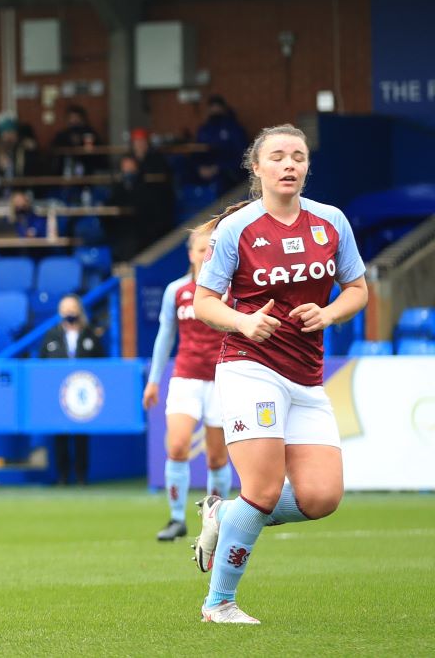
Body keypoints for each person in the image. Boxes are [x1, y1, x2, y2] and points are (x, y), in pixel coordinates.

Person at [189, 124, 366, 624]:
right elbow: (205, 302)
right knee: (263, 491)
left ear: (308, 166)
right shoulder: (236, 228)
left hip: (307, 376)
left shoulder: (331, 222)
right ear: (257, 168)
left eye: (299, 156)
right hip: (250, 366)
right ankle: (219, 603)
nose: (290, 165)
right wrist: (245, 321)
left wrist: (329, 314)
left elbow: (357, 288)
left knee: (321, 497)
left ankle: (223, 515)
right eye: (279, 157)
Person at [142, 227, 230, 542]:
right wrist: (154, 380)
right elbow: (165, 336)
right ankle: (177, 519)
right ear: (190, 254)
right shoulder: (176, 291)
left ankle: (215, 520)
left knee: (217, 457)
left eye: (211, 249)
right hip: (186, 376)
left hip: (222, 378)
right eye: (199, 249)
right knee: (177, 445)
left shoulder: (228, 290)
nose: (205, 255)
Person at [39, 294, 105, 485]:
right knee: (60, 434)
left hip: (84, 392)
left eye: (72, 308)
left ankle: (82, 476)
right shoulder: (51, 335)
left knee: (81, 435)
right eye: (65, 309)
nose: (69, 312)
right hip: (58, 393)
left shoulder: (89, 334)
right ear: (60, 312)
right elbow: (42, 363)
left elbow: (102, 363)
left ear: (79, 310)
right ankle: (62, 476)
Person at [194, 95, 248, 190]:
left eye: (217, 106)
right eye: (212, 107)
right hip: (207, 168)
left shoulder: (233, 128)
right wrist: (200, 167)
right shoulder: (204, 129)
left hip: (227, 170)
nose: (215, 109)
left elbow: (242, 156)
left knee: (222, 181)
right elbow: (198, 151)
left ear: (223, 108)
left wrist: (218, 167)